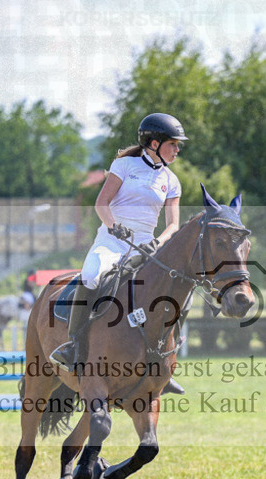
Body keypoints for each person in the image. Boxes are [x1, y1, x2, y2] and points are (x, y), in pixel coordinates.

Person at [50, 113, 187, 372]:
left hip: (147, 246)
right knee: (91, 276)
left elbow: (173, 225)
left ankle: (165, 360)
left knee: (172, 286)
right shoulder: (124, 167)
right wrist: (115, 227)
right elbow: (101, 203)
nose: (177, 150)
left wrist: (157, 243)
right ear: (154, 143)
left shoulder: (171, 181)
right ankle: (74, 346)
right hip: (112, 241)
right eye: (173, 144)